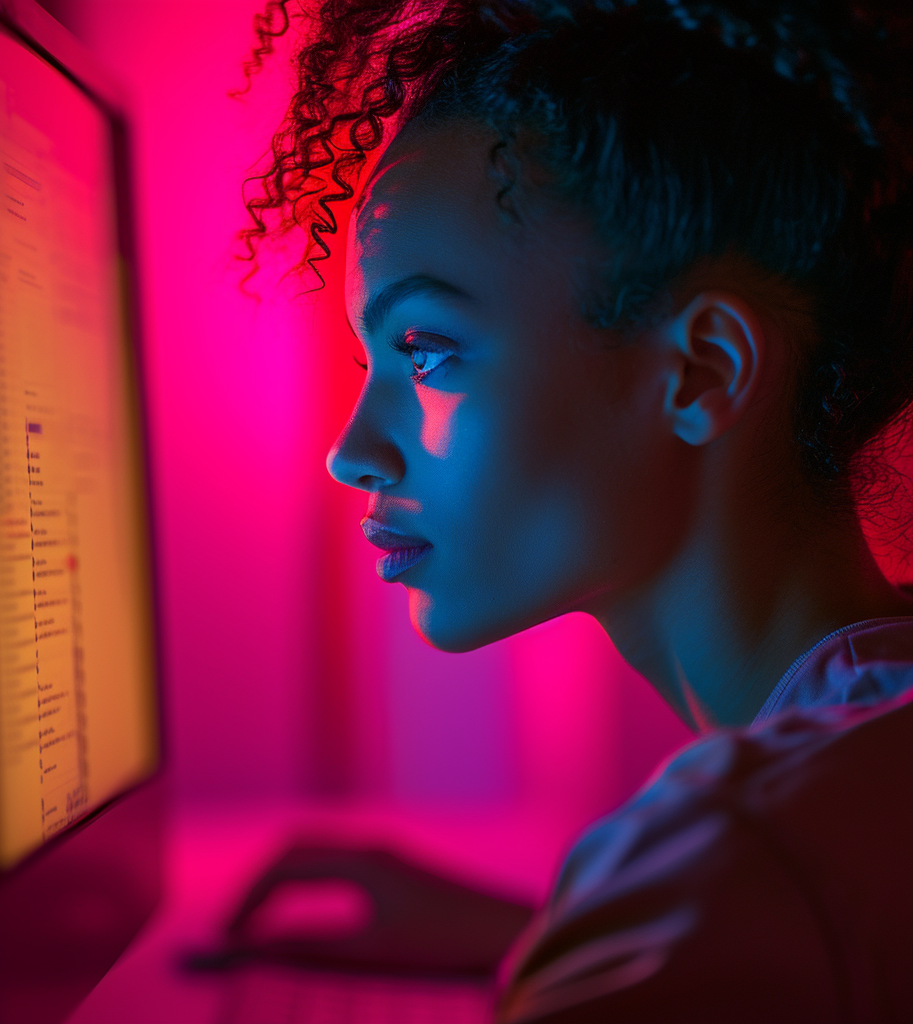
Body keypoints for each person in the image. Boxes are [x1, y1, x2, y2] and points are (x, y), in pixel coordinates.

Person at [230, 1, 913, 1020]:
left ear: (698, 372)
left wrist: (664, 910)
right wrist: (555, 931)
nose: (351, 452)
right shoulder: (856, 756)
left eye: (428, 351)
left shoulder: (748, 861)